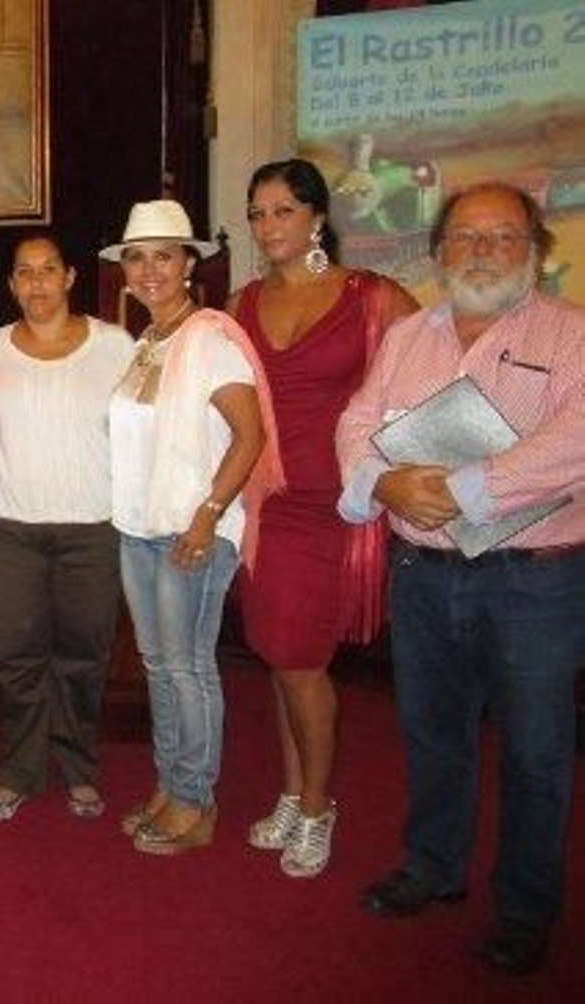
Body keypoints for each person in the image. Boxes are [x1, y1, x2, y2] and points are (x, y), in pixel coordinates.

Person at [337, 181, 584, 976]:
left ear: (534, 250)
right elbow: (358, 420)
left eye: (502, 236)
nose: (482, 251)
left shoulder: (572, 333)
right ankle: (433, 865)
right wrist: (381, 481)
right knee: (431, 734)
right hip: (424, 574)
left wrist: (463, 488)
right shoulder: (407, 336)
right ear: (439, 251)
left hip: (533, 582)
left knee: (536, 752)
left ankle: (525, 907)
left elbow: (575, 441)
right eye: (465, 237)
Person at [228, 159, 419, 879]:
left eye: (283, 210)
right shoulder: (243, 303)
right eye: (258, 213)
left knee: (301, 660)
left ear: (316, 217)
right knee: (281, 656)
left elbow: (430, 376)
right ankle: (291, 792)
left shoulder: (371, 296)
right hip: (266, 504)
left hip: (332, 504)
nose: (267, 225)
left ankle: (316, 807)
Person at [101, 199, 282, 856]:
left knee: (188, 667)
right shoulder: (147, 342)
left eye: (164, 256)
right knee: (158, 666)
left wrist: (206, 516)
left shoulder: (209, 339)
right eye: (136, 257)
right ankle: (170, 783)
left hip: (191, 531)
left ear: (188, 265)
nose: (149, 269)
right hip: (139, 529)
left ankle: (195, 800)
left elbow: (250, 435)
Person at [0, 232, 135, 824]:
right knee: (14, 657)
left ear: (69, 277)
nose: (37, 282)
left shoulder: (116, 345)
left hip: (92, 530)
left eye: (48, 269)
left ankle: (78, 767)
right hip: (6, 530)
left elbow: (143, 433)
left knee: (83, 656)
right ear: (11, 284)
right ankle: (18, 770)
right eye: (24, 272)